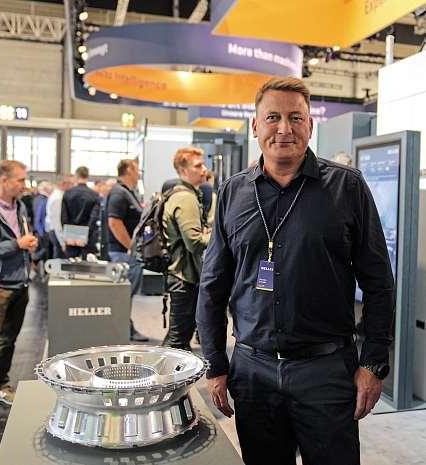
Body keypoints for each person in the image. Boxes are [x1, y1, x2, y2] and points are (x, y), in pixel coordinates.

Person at [196, 77, 394, 465]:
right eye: (273, 117)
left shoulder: (347, 187)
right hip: (253, 371)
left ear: (310, 125)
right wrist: (216, 363)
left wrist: (373, 363)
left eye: (295, 117)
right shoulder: (233, 193)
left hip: (326, 371)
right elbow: (212, 285)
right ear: (255, 126)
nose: (284, 128)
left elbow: (379, 283)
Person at [0, 160, 38, 404]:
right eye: (20, 180)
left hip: (20, 284)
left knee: (8, 340)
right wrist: (17, 244)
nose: (24, 184)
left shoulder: (20, 206)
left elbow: (22, 236)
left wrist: (29, 245)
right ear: (4, 180)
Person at [162, 147, 211, 351]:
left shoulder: (181, 193)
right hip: (185, 277)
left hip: (182, 275)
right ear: (183, 170)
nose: (204, 169)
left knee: (177, 338)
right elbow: (194, 242)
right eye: (198, 166)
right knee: (178, 343)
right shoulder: (186, 198)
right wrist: (217, 236)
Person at [106, 159, 148, 342]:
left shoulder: (127, 192)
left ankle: (124, 328)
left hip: (125, 253)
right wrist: (131, 247)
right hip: (122, 254)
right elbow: (114, 223)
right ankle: (121, 330)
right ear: (129, 169)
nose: (139, 172)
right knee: (123, 295)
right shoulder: (119, 193)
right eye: (137, 169)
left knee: (125, 296)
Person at [61, 166, 100, 258]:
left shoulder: (68, 193)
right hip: (87, 237)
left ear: (76, 176)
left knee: (71, 264)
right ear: (87, 176)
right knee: (87, 264)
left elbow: (64, 217)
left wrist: (67, 235)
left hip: (71, 235)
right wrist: (86, 234)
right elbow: (93, 218)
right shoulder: (94, 195)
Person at [45, 175, 73, 259]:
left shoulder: (56, 195)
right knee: (59, 261)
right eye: (70, 183)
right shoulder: (58, 198)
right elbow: (57, 221)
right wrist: (62, 242)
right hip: (57, 232)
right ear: (64, 184)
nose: (72, 186)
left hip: (55, 231)